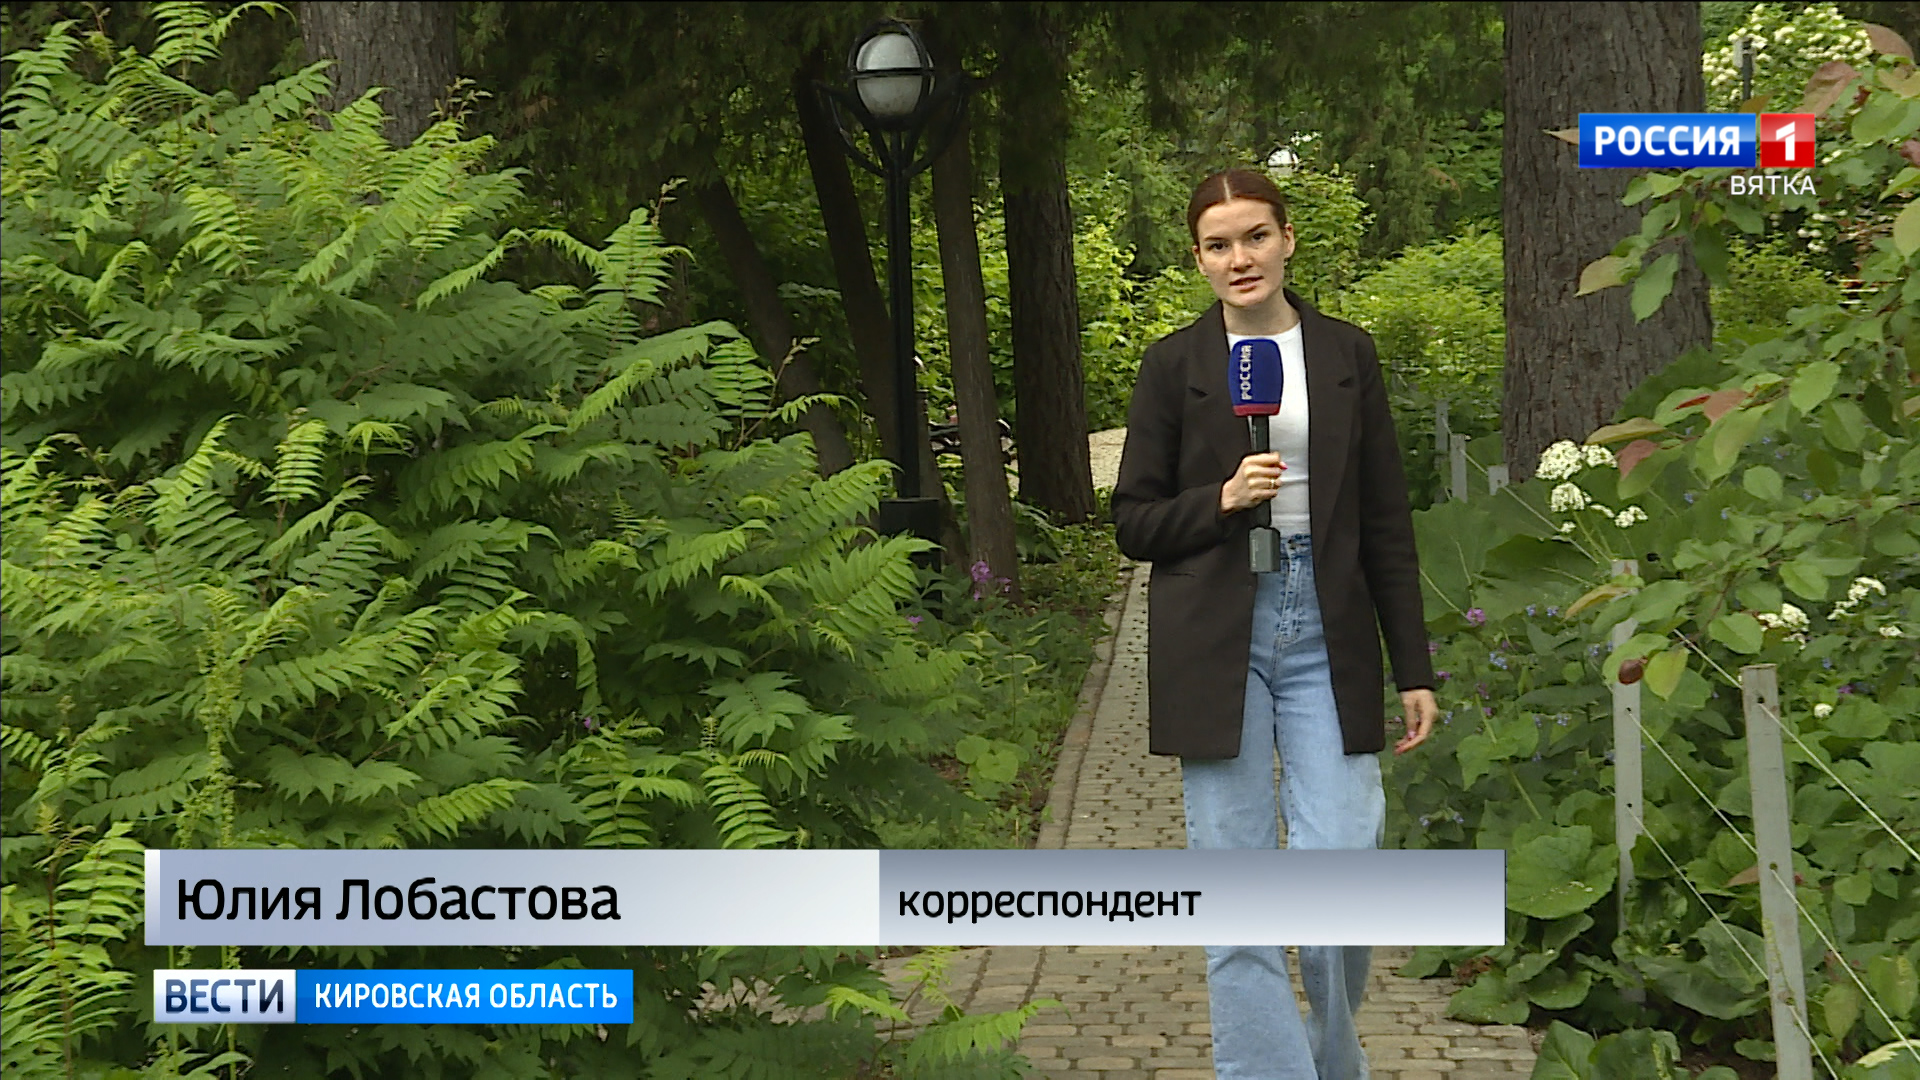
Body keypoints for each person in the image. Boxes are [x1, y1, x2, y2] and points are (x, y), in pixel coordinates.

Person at [1111, 167, 1440, 1080]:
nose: (1240, 258)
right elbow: (1133, 521)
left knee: (1344, 861)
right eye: (1218, 244)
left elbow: (1385, 520)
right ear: (1199, 259)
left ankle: (1335, 1058)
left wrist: (1413, 666)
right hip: (1216, 634)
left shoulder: (1346, 353)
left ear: (1288, 238)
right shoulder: (1174, 366)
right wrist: (1220, 499)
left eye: (1255, 236)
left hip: (1326, 626)